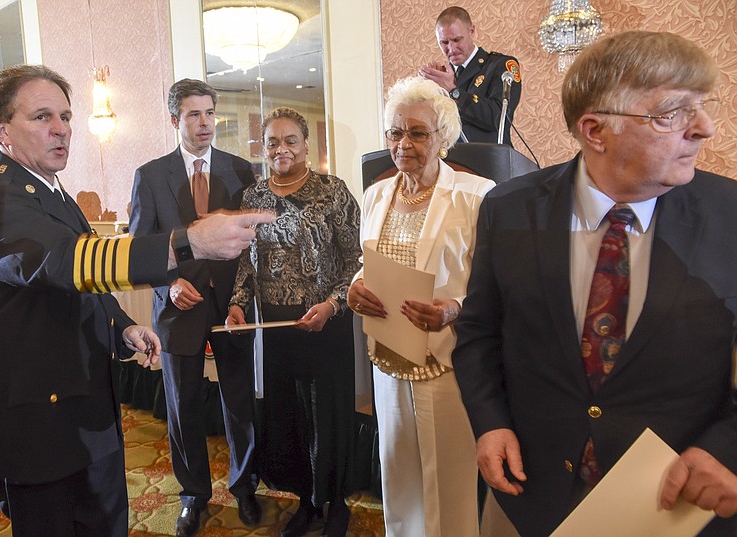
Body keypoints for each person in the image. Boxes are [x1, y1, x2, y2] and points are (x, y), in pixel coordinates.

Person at [0, 64, 274, 537]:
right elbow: (65, 262)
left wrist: (120, 323)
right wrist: (188, 243)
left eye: (65, 115)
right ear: (1, 130)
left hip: (84, 403)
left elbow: (81, 284)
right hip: (33, 416)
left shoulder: (53, 194)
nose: (61, 128)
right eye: (42, 117)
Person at [452, 31, 737, 537]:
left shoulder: (730, 215)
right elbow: (479, 332)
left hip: (677, 506)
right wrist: (489, 421)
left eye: (702, 107)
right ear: (595, 130)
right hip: (532, 496)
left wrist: (728, 449)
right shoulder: (508, 209)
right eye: (673, 113)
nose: (705, 129)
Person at [347, 76, 495, 537]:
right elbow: (366, 261)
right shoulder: (375, 194)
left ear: (443, 137)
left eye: (417, 132)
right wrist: (355, 286)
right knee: (399, 475)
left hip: (446, 359)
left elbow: (499, 284)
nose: (403, 143)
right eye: (395, 132)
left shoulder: (476, 196)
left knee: (448, 482)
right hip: (389, 354)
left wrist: (454, 308)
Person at [129, 78, 261, 536]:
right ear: (174, 120)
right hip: (177, 310)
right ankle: (193, 495)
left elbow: (251, 247)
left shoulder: (242, 171)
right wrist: (169, 284)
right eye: (193, 114)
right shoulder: (150, 175)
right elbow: (140, 249)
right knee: (182, 406)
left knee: (239, 400)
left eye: (210, 113)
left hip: (232, 310)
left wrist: (242, 299)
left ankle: (245, 487)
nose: (205, 123)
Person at [226, 107, 361, 537]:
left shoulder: (332, 191)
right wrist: (238, 304)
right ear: (263, 148)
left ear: (306, 145)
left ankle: (335, 502)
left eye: (290, 141)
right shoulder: (253, 198)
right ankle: (306, 501)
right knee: (291, 416)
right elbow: (246, 263)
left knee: (329, 415)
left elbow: (355, 260)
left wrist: (333, 305)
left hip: (326, 321)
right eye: (272, 142)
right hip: (278, 327)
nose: (281, 149)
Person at [418, 6, 522, 146]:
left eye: (457, 40)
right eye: (444, 42)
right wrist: (428, 90)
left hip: (488, 160)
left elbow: (498, 118)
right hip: (449, 161)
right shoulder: (442, 76)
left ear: (472, 31)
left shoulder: (501, 65)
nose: (452, 49)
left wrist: (453, 92)